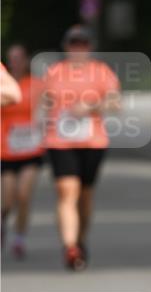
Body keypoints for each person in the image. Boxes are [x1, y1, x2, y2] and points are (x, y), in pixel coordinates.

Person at [42, 25, 120, 270]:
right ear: (65, 47)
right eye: (73, 43)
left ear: (90, 47)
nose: (78, 48)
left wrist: (89, 106)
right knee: (67, 192)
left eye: (82, 44)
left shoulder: (101, 72)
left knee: (85, 197)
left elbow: (115, 103)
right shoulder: (54, 72)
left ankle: (80, 239)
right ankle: (70, 246)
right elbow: (43, 103)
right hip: (60, 141)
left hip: (92, 142)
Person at [1, 46, 44, 258]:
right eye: (12, 59)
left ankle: (19, 238)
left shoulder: (36, 85)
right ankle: (3, 222)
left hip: (31, 149)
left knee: (24, 195)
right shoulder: (4, 85)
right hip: (6, 150)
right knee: (7, 201)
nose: (15, 62)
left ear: (26, 60)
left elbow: (47, 108)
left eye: (19, 58)